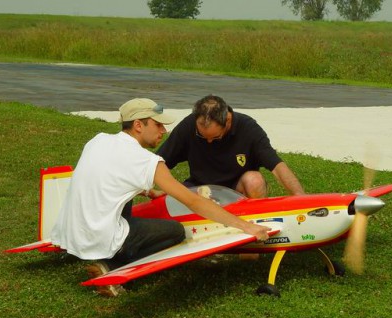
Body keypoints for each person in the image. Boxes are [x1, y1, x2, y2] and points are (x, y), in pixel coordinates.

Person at [51, 98, 271, 297]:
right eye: (157, 124)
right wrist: (246, 227)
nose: (164, 130)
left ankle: (107, 253)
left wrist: (148, 190)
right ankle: (114, 265)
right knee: (175, 231)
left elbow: (106, 180)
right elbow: (193, 201)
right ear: (138, 125)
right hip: (98, 238)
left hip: (71, 233)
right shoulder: (145, 160)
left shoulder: (97, 141)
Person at [156, 94, 305, 199]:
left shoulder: (248, 128)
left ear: (227, 120)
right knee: (170, 200)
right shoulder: (189, 125)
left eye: (214, 137)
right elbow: (158, 162)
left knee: (255, 180)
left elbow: (277, 166)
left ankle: (256, 221)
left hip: (236, 190)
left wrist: (300, 197)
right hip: (200, 189)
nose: (208, 142)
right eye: (202, 136)